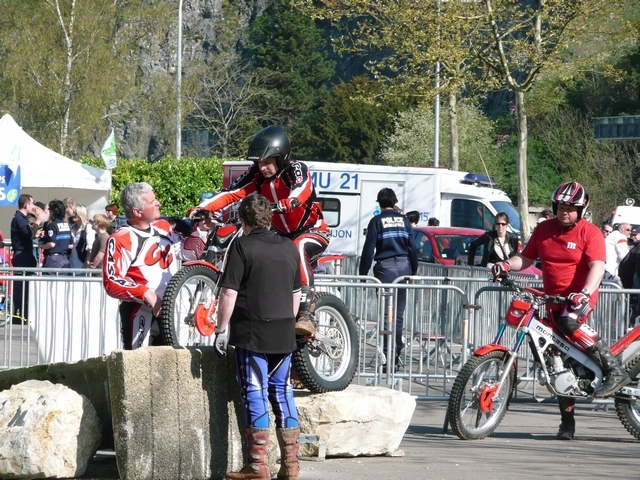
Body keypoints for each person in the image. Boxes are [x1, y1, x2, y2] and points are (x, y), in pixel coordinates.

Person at [491, 181, 631, 440]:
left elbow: (598, 266)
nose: (564, 211)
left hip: (579, 299)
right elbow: (526, 258)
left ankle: (614, 370)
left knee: (569, 322)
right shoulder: (544, 229)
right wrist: (506, 265)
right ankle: (567, 422)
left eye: (571, 208)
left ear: (581, 209)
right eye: (561, 207)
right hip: (551, 299)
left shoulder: (590, 233)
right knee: (554, 359)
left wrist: (584, 293)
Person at [192, 125, 330, 337]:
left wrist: (291, 201)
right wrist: (202, 208)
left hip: (313, 230)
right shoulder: (256, 175)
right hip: (280, 236)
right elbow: (232, 192)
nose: (262, 167)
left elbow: (303, 187)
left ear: (281, 157)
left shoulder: (296, 169)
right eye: (259, 163)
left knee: (298, 246)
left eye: (267, 162)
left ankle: (305, 314)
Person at [213, 194, 302, 480]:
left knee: (254, 391)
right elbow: (296, 294)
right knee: (283, 392)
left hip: (252, 332)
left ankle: (256, 466)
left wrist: (220, 329)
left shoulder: (241, 245)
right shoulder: (289, 247)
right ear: (269, 218)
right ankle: (291, 466)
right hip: (284, 331)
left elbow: (229, 293)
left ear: (243, 220)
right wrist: (286, 323)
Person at [103, 182, 213, 350]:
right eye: (152, 201)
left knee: (169, 361)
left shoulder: (163, 227)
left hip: (168, 309)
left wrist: (202, 230)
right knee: (140, 362)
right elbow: (111, 281)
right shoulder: (120, 238)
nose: (158, 203)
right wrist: (146, 293)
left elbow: (189, 253)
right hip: (139, 309)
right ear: (137, 211)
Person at [358, 188, 418, 371]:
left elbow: (369, 250)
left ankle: (387, 355)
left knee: (387, 314)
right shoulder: (405, 221)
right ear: (394, 201)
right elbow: (412, 248)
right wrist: (413, 272)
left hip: (385, 269)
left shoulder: (376, 221)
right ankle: (396, 353)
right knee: (398, 315)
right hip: (404, 267)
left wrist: (362, 275)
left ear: (379, 203)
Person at [10, 194, 46, 320]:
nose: (33, 206)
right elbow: (28, 235)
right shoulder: (19, 218)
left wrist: (37, 233)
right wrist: (38, 221)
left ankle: (24, 312)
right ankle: (17, 313)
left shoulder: (22, 218)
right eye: (31, 203)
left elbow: (29, 235)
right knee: (20, 285)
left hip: (25, 254)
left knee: (26, 285)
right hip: (22, 255)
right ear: (26, 205)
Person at [38, 199, 72, 270]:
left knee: (48, 277)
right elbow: (71, 245)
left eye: (50, 209)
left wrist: (41, 246)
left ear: (53, 211)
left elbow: (51, 244)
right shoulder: (67, 225)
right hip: (64, 258)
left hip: (53, 259)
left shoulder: (52, 225)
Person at [69, 204, 95, 269]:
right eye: (73, 212)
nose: (73, 215)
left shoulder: (88, 227)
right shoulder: (71, 227)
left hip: (82, 264)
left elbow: (90, 249)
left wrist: (86, 264)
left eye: (76, 213)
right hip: (70, 263)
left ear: (81, 214)